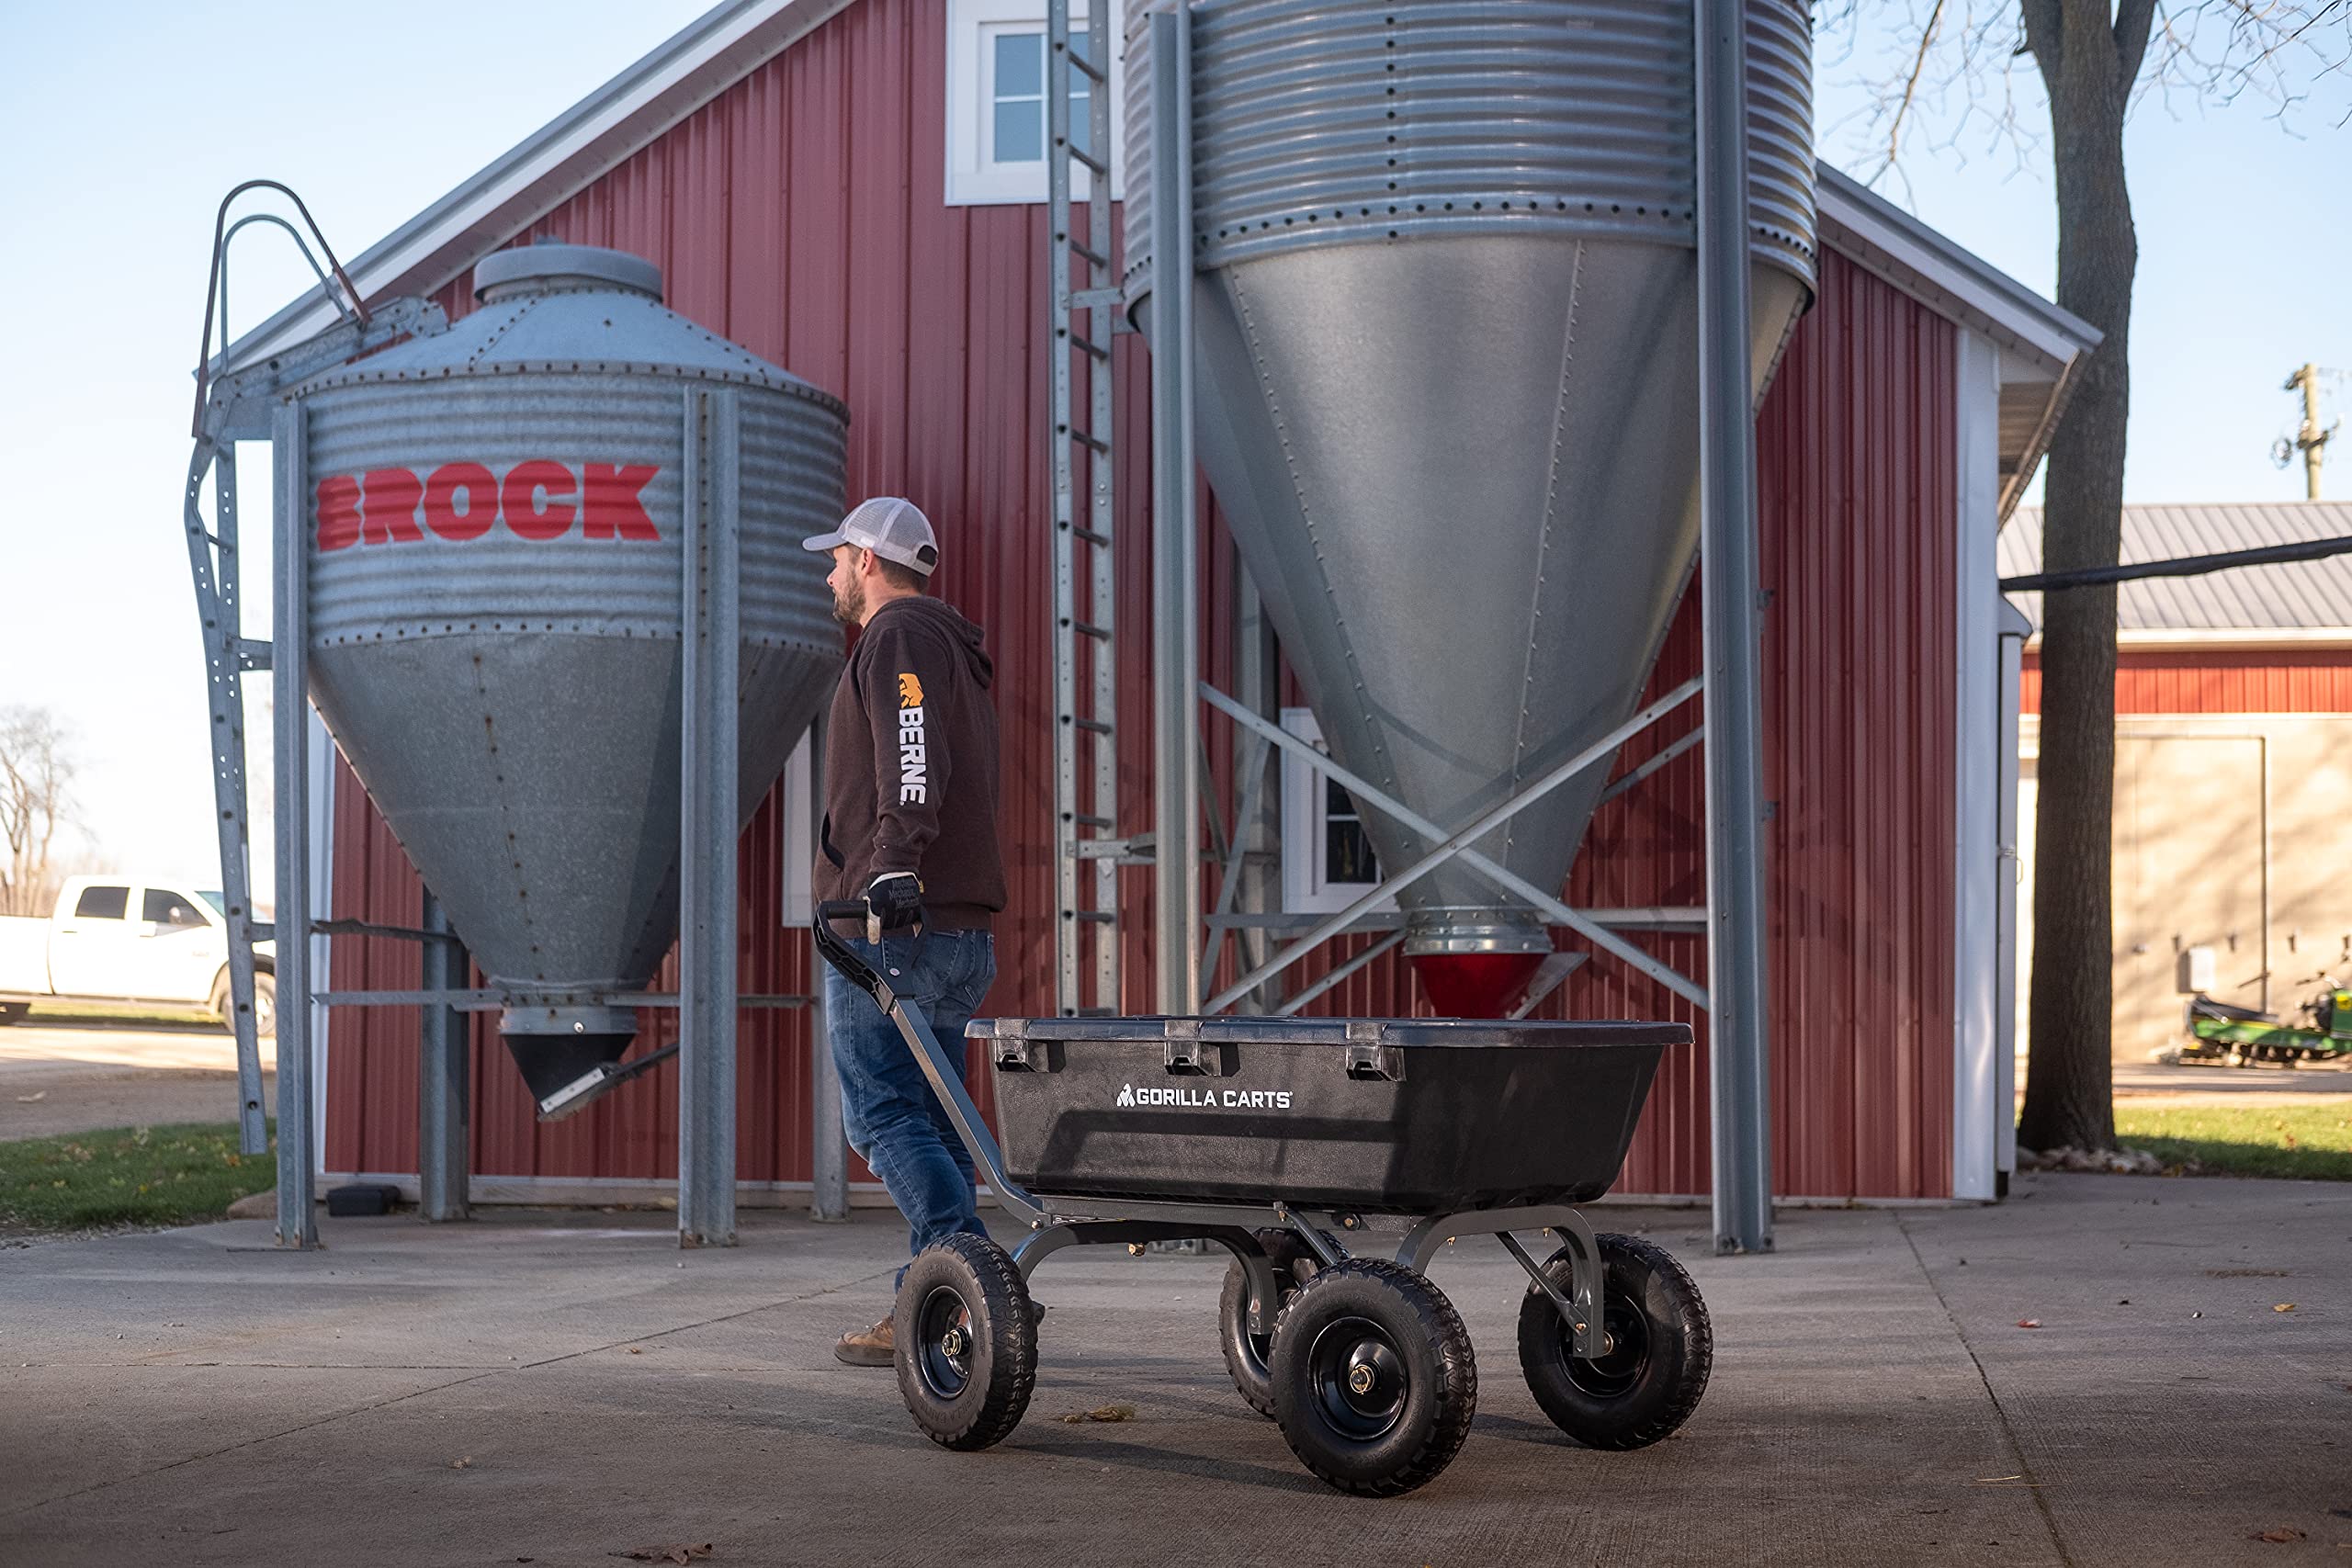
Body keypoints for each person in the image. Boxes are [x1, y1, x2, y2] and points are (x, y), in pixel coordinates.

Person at [801, 496, 1007, 1368]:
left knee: (882, 1111)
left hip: (897, 925)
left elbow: (911, 748)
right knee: (930, 1113)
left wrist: (893, 860)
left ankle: (966, 1287)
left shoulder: (900, 637)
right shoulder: (942, 644)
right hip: (949, 933)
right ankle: (953, 1298)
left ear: (869, 561)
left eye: (837, 559)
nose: (830, 574)